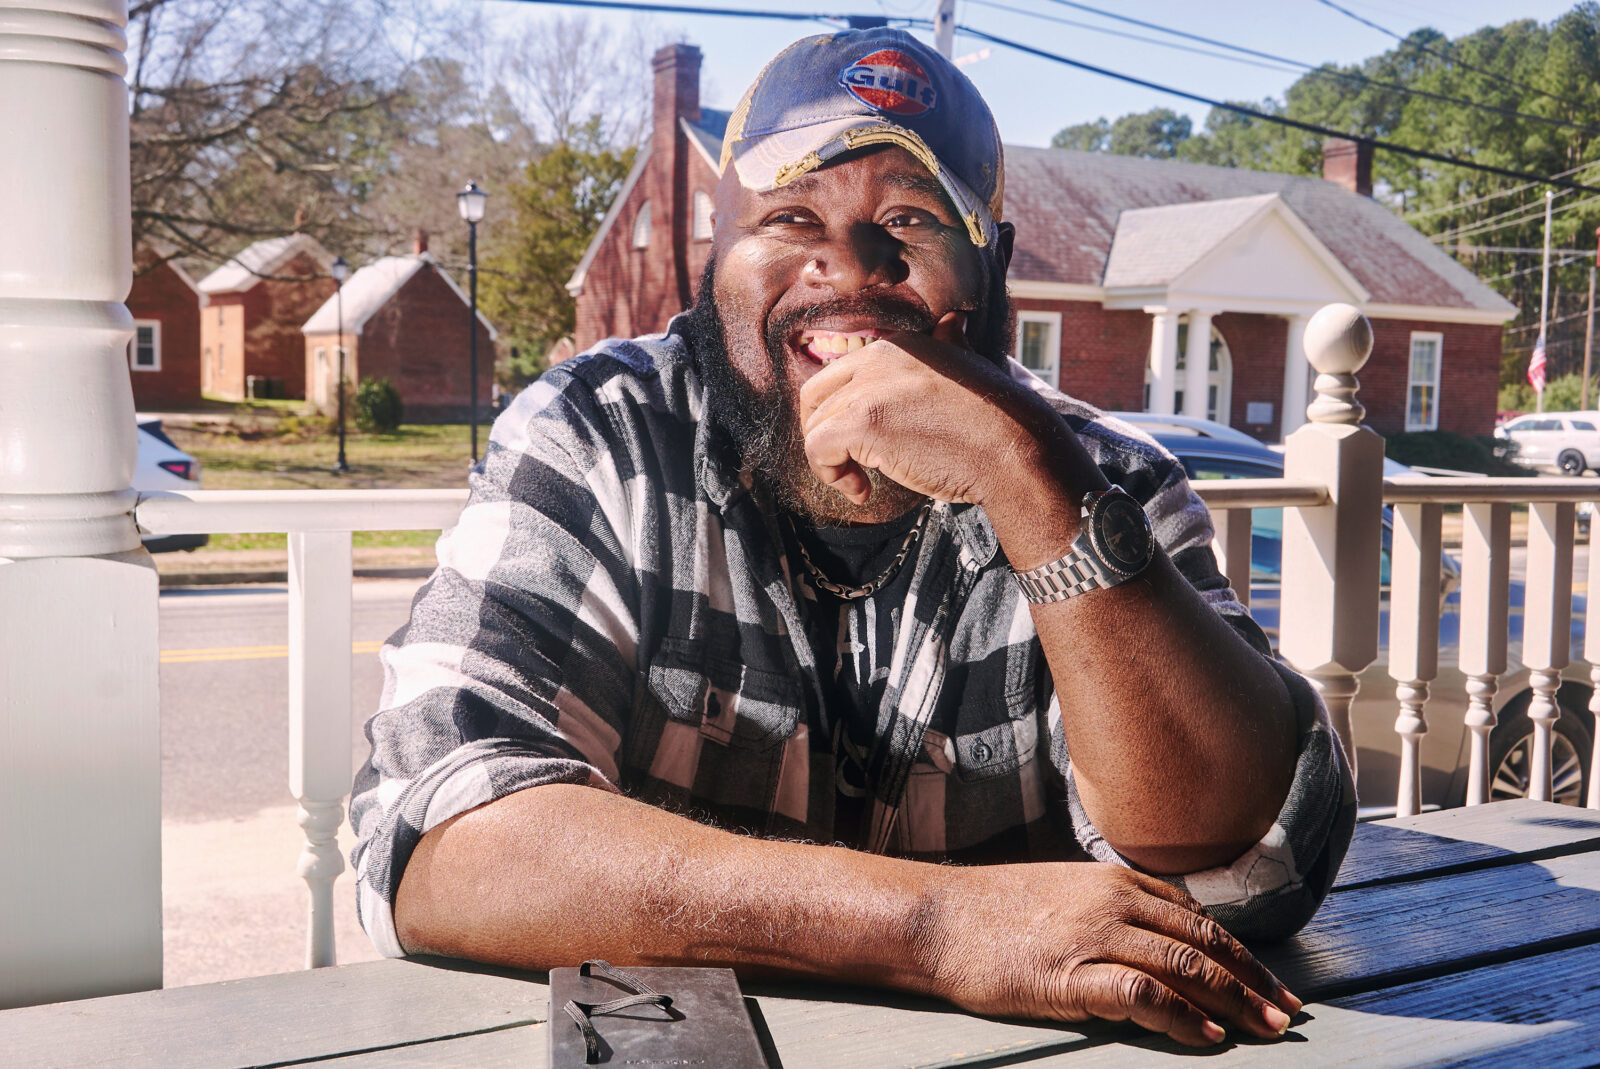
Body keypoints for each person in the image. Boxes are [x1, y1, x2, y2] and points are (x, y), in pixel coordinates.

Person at [352, 27, 1354, 1048]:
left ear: (992, 271)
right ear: (720, 257)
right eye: (790, 216)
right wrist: (933, 922)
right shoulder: (598, 436)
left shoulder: (1103, 479)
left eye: (913, 221)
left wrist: (1034, 490)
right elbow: (438, 834)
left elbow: (1247, 860)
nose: (849, 267)